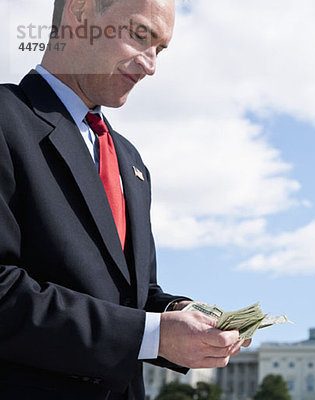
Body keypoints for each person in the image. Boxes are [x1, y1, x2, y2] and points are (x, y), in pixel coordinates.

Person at [0, 0, 250, 399]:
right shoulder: (6, 120)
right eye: (139, 35)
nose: (151, 65)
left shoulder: (129, 160)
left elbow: (135, 295)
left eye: (160, 49)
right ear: (80, 15)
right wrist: (151, 336)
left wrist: (180, 316)